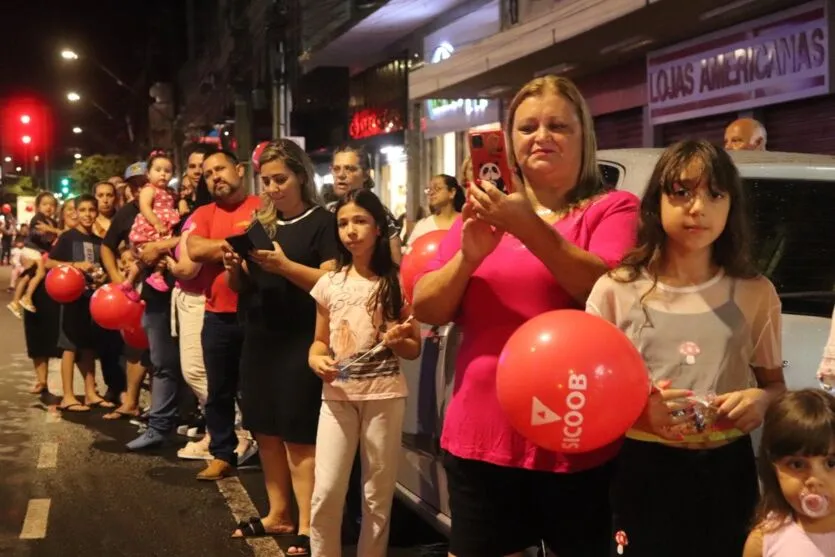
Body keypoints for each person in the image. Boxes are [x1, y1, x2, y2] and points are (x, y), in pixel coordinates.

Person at [413, 75, 640, 557]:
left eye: (558, 125)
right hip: (482, 437)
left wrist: (526, 225)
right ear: (509, 141)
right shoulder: (478, 212)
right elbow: (427, 306)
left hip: (579, 436)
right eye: (527, 127)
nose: (542, 136)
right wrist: (468, 257)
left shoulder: (612, 208)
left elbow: (602, 288)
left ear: (585, 136)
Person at [587, 139, 786, 557]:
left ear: (732, 205)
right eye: (681, 192)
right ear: (656, 201)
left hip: (727, 470)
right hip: (643, 468)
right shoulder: (616, 290)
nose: (698, 208)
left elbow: (775, 386)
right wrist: (637, 409)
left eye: (714, 194)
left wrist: (761, 401)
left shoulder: (755, 292)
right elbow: (586, 395)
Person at [223, 140, 338, 555]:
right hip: (260, 334)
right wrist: (235, 269)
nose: (272, 188)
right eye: (267, 180)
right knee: (265, 430)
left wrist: (285, 265)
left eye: (280, 179)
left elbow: (330, 285)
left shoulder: (325, 222)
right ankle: (278, 512)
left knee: (298, 434)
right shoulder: (262, 223)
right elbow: (243, 286)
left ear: (302, 176)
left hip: (300, 338)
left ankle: (308, 526)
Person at [309, 188, 421, 557]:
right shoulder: (329, 283)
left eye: (360, 221)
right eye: (343, 223)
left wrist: (395, 339)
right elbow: (319, 342)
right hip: (337, 398)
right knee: (326, 492)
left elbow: (412, 347)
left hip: (385, 396)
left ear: (377, 228)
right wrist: (316, 359)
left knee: (377, 495)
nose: (350, 230)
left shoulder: (396, 283)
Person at [187, 148, 262, 480]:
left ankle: (267, 448)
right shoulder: (204, 212)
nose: (214, 176)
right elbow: (193, 249)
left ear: (240, 170)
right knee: (219, 390)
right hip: (217, 315)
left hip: (259, 313)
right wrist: (240, 242)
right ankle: (222, 453)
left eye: (220, 169)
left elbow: (268, 248)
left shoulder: (264, 207)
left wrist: (215, 246)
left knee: (258, 388)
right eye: (207, 174)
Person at [743, 389, 835, 557]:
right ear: (773, 467)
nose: (814, 480)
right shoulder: (764, 540)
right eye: (797, 464)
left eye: (831, 463)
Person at [46, 194, 112, 412]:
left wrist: (102, 277)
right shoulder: (68, 237)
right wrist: (75, 265)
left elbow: (103, 268)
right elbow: (49, 262)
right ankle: (67, 395)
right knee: (69, 346)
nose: (87, 215)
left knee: (88, 347)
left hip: (91, 300)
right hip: (71, 299)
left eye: (91, 210)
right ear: (75, 212)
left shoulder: (98, 241)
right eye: (82, 210)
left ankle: (91, 392)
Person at [329, 145, 402, 264]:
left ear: (365, 174)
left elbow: (395, 264)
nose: (341, 175)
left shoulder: (380, 213)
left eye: (350, 169)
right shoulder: (329, 210)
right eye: (336, 169)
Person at [128, 150, 179, 293]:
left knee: (159, 255)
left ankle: (156, 275)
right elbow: (144, 207)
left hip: (164, 228)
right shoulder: (149, 189)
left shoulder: (169, 192)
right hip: (150, 227)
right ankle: (130, 281)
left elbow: (176, 202)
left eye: (167, 171)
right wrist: (156, 223)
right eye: (158, 170)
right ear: (148, 174)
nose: (163, 174)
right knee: (146, 258)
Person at [9, 192, 60, 317]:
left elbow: (51, 237)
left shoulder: (52, 221)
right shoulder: (38, 218)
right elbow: (36, 233)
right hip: (32, 249)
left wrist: (50, 232)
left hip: (37, 250)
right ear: (38, 206)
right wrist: (46, 232)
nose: (48, 207)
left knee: (28, 276)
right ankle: (27, 297)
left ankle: (15, 302)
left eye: (52, 205)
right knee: (41, 273)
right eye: (45, 204)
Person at [407, 174, 465, 246]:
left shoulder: (465, 222)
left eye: (437, 188)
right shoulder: (424, 225)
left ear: (452, 192)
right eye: (429, 190)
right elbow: (410, 251)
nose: (431, 193)